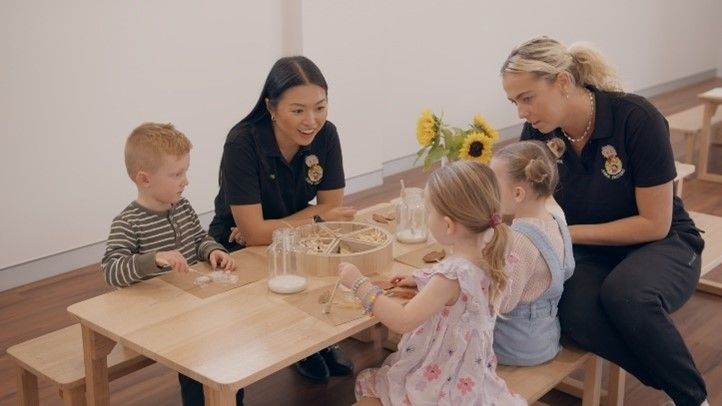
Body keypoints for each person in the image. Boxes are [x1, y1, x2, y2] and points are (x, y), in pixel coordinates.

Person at [500, 35, 708, 406]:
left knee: (627, 296)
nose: (520, 112)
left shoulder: (637, 119)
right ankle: (664, 373)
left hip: (662, 242)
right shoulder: (538, 132)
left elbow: (654, 224)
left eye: (527, 98)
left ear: (563, 82)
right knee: (573, 313)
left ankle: (692, 398)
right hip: (590, 249)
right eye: (514, 102)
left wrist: (565, 233)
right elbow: (524, 198)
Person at [207, 56, 356, 385]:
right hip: (234, 245)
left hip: (291, 234)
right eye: (298, 110)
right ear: (271, 107)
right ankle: (303, 346)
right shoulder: (242, 142)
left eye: (320, 107)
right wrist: (314, 217)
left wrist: (278, 228)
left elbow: (332, 210)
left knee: (325, 260)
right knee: (281, 282)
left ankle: (321, 340)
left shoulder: (327, 135)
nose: (312, 120)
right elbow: (255, 232)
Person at [338, 161, 525, 405]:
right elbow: (459, 297)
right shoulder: (494, 256)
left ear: (448, 225)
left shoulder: (451, 276)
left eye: (429, 212)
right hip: (472, 378)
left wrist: (359, 284)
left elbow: (402, 320)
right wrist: (420, 280)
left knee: (373, 384)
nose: (428, 218)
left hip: (439, 385)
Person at [100, 122, 240, 405]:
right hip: (158, 319)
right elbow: (111, 270)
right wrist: (153, 259)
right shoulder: (128, 223)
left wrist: (212, 250)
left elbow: (199, 239)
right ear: (144, 179)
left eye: (185, 171)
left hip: (192, 306)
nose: (185, 180)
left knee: (228, 350)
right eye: (177, 174)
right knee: (198, 365)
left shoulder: (183, 208)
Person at [489, 139, 574, 366]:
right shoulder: (557, 222)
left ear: (518, 193)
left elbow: (503, 303)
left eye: (493, 186)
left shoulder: (519, 240)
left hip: (513, 347)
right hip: (544, 339)